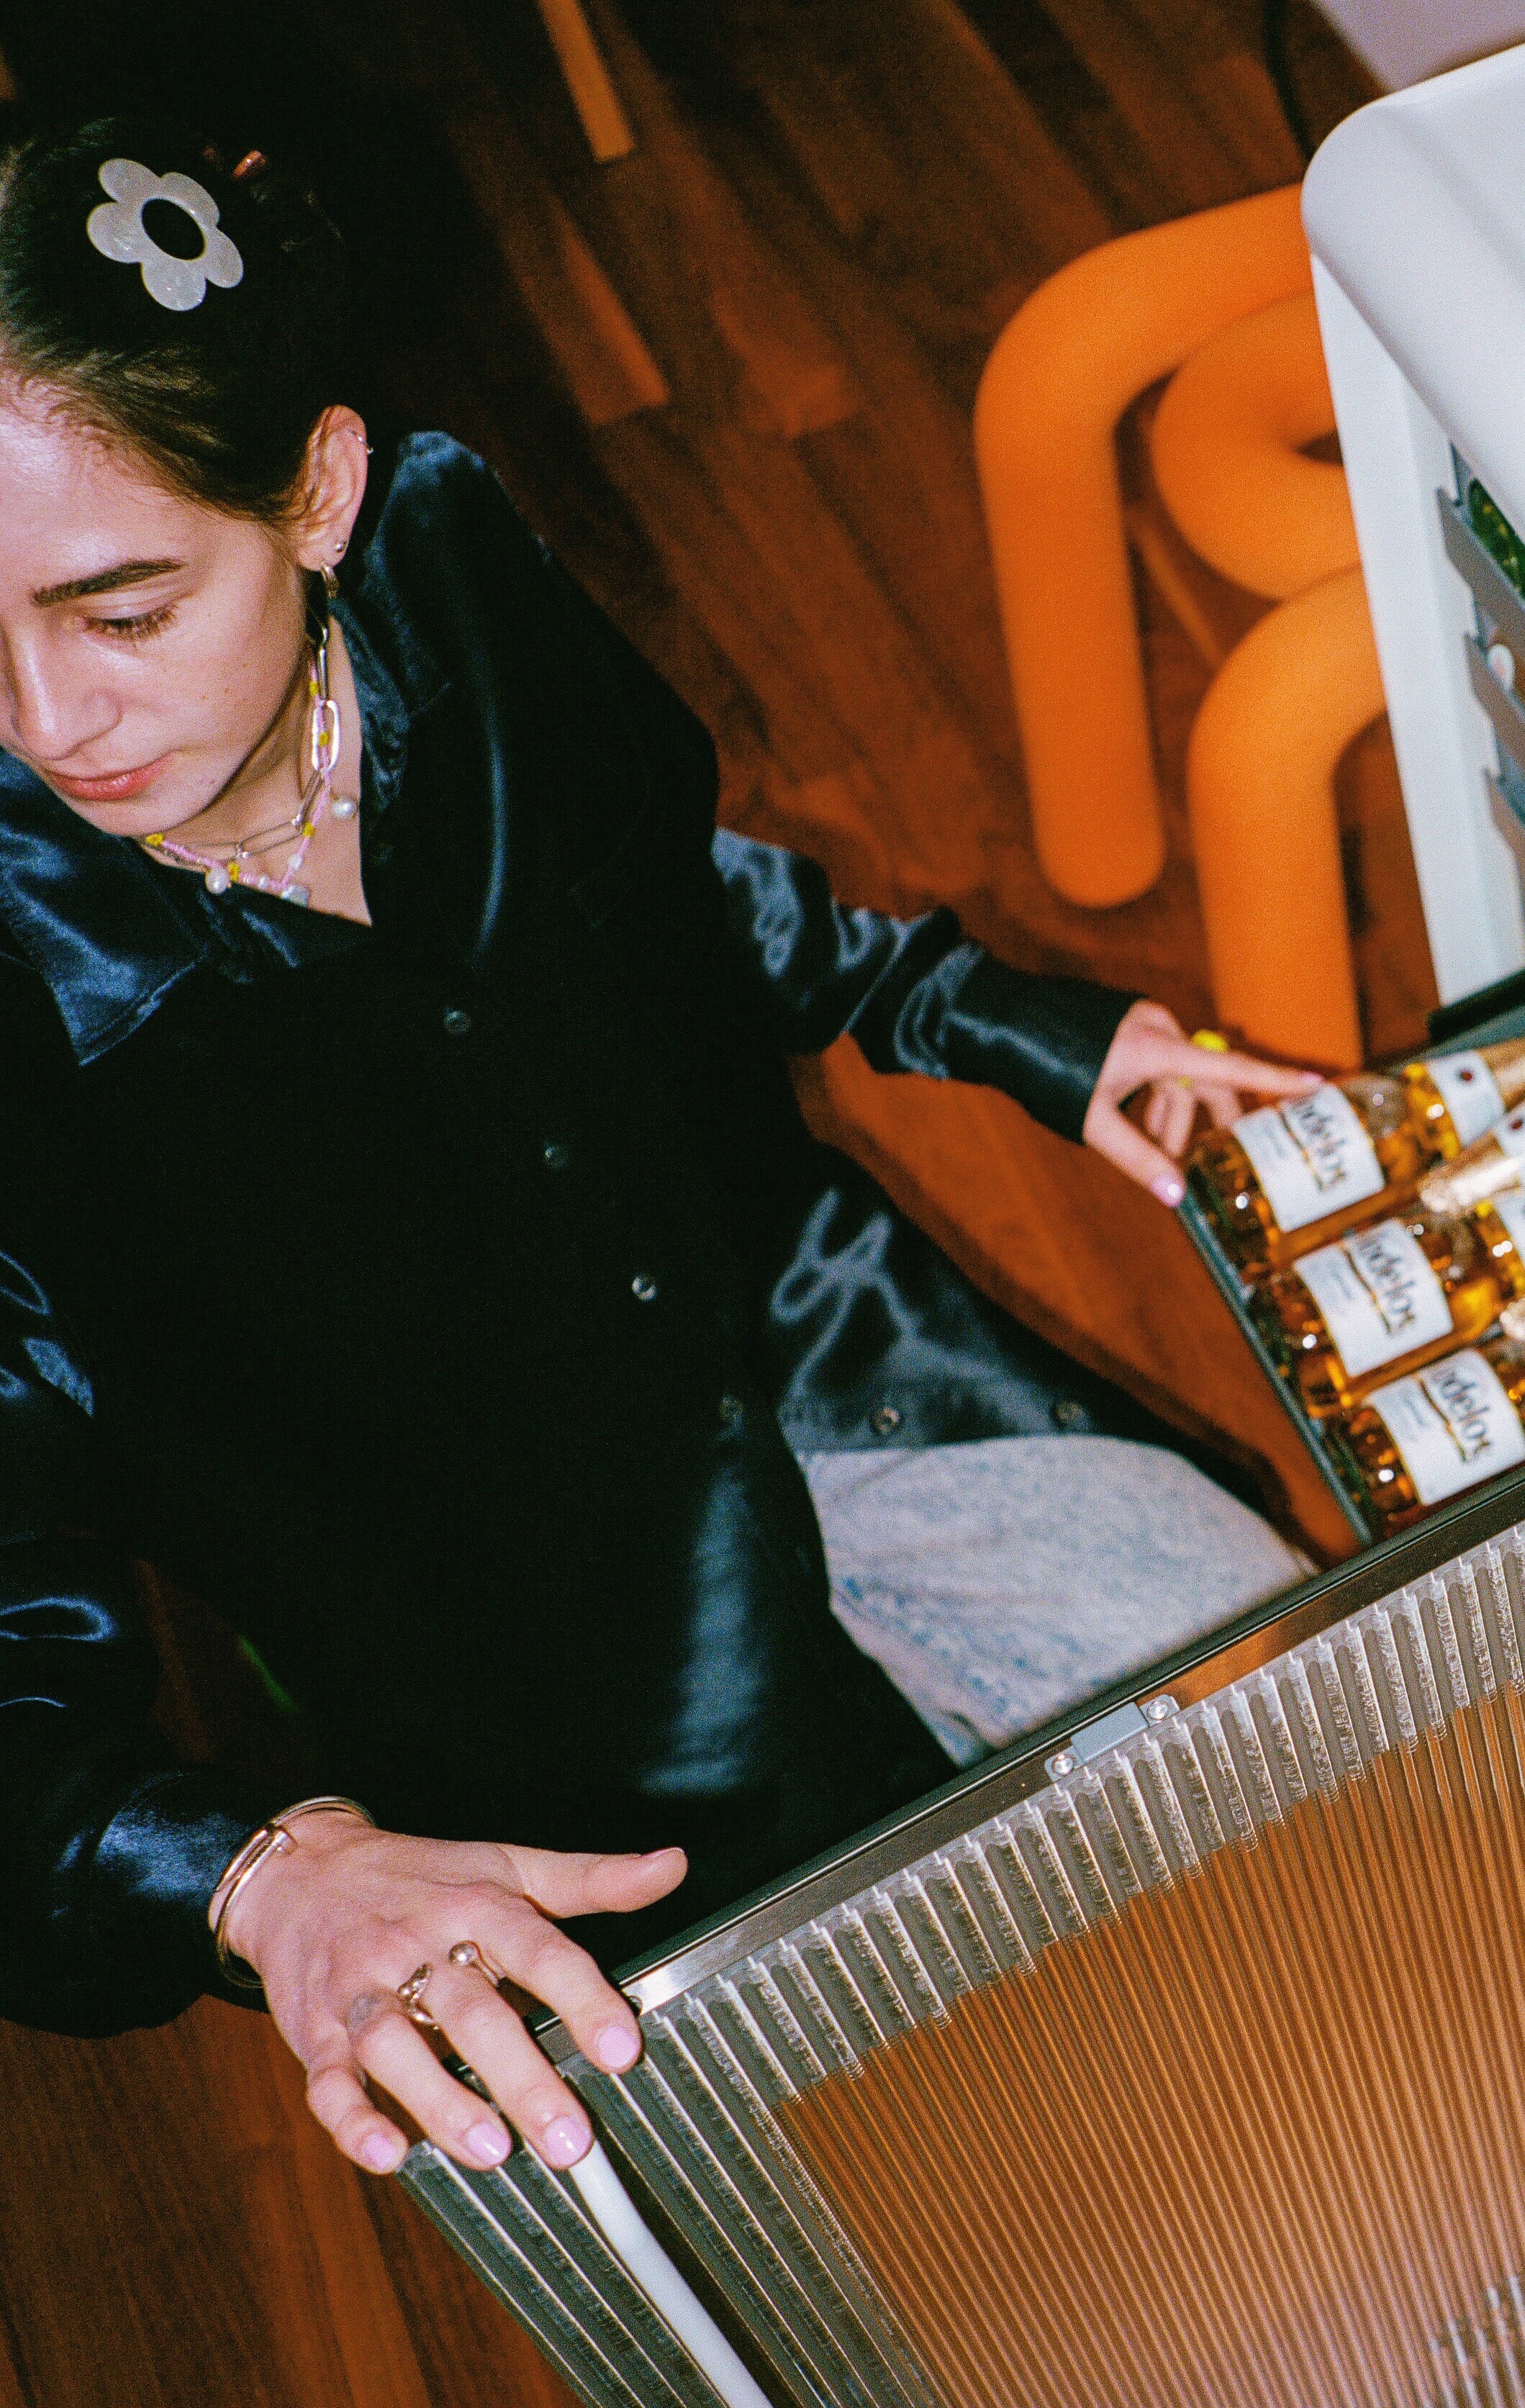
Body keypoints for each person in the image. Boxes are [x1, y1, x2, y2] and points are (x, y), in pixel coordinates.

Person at [0, 117, 1326, 2186]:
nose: (47, 723)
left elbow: (650, 879)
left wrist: (990, 1020)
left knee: (1326, 1749)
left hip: (822, 1360)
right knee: (989, 2154)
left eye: (123, 610)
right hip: (548, 1693)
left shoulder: (441, 550)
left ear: (323, 490)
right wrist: (254, 1875)